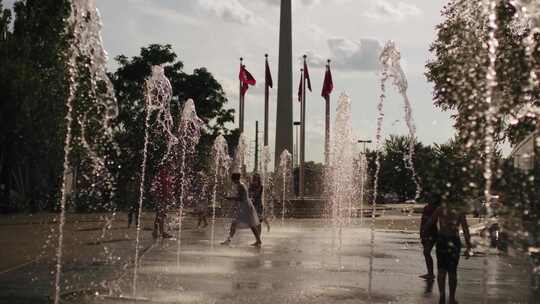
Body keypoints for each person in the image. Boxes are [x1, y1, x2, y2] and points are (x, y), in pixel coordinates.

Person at [424, 202, 472, 304]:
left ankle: (442, 296)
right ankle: (451, 298)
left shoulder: (440, 209)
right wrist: (468, 246)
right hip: (454, 241)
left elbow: (429, 223)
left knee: (441, 270)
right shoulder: (460, 211)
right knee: (452, 271)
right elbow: (465, 228)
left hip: (442, 240)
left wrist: (425, 235)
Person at [221, 173, 262, 247]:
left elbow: (240, 198)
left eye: (232, 179)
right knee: (251, 224)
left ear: (233, 179)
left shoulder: (240, 186)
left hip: (246, 207)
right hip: (246, 207)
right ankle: (258, 241)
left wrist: (230, 198)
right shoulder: (241, 185)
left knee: (241, 224)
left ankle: (229, 240)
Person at [150, 165, 173, 239]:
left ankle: (157, 231)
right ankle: (160, 232)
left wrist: (169, 196)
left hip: (163, 198)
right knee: (160, 215)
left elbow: (168, 187)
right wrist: (156, 196)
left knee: (160, 215)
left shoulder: (166, 175)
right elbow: (156, 187)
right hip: (160, 198)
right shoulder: (161, 174)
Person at [419, 200, 439, 280]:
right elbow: (422, 221)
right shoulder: (426, 207)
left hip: (432, 233)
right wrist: (421, 232)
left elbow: (432, 221)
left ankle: (431, 273)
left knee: (426, 252)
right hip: (425, 232)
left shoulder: (435, 208)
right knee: (426, 253)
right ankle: (430, 273)